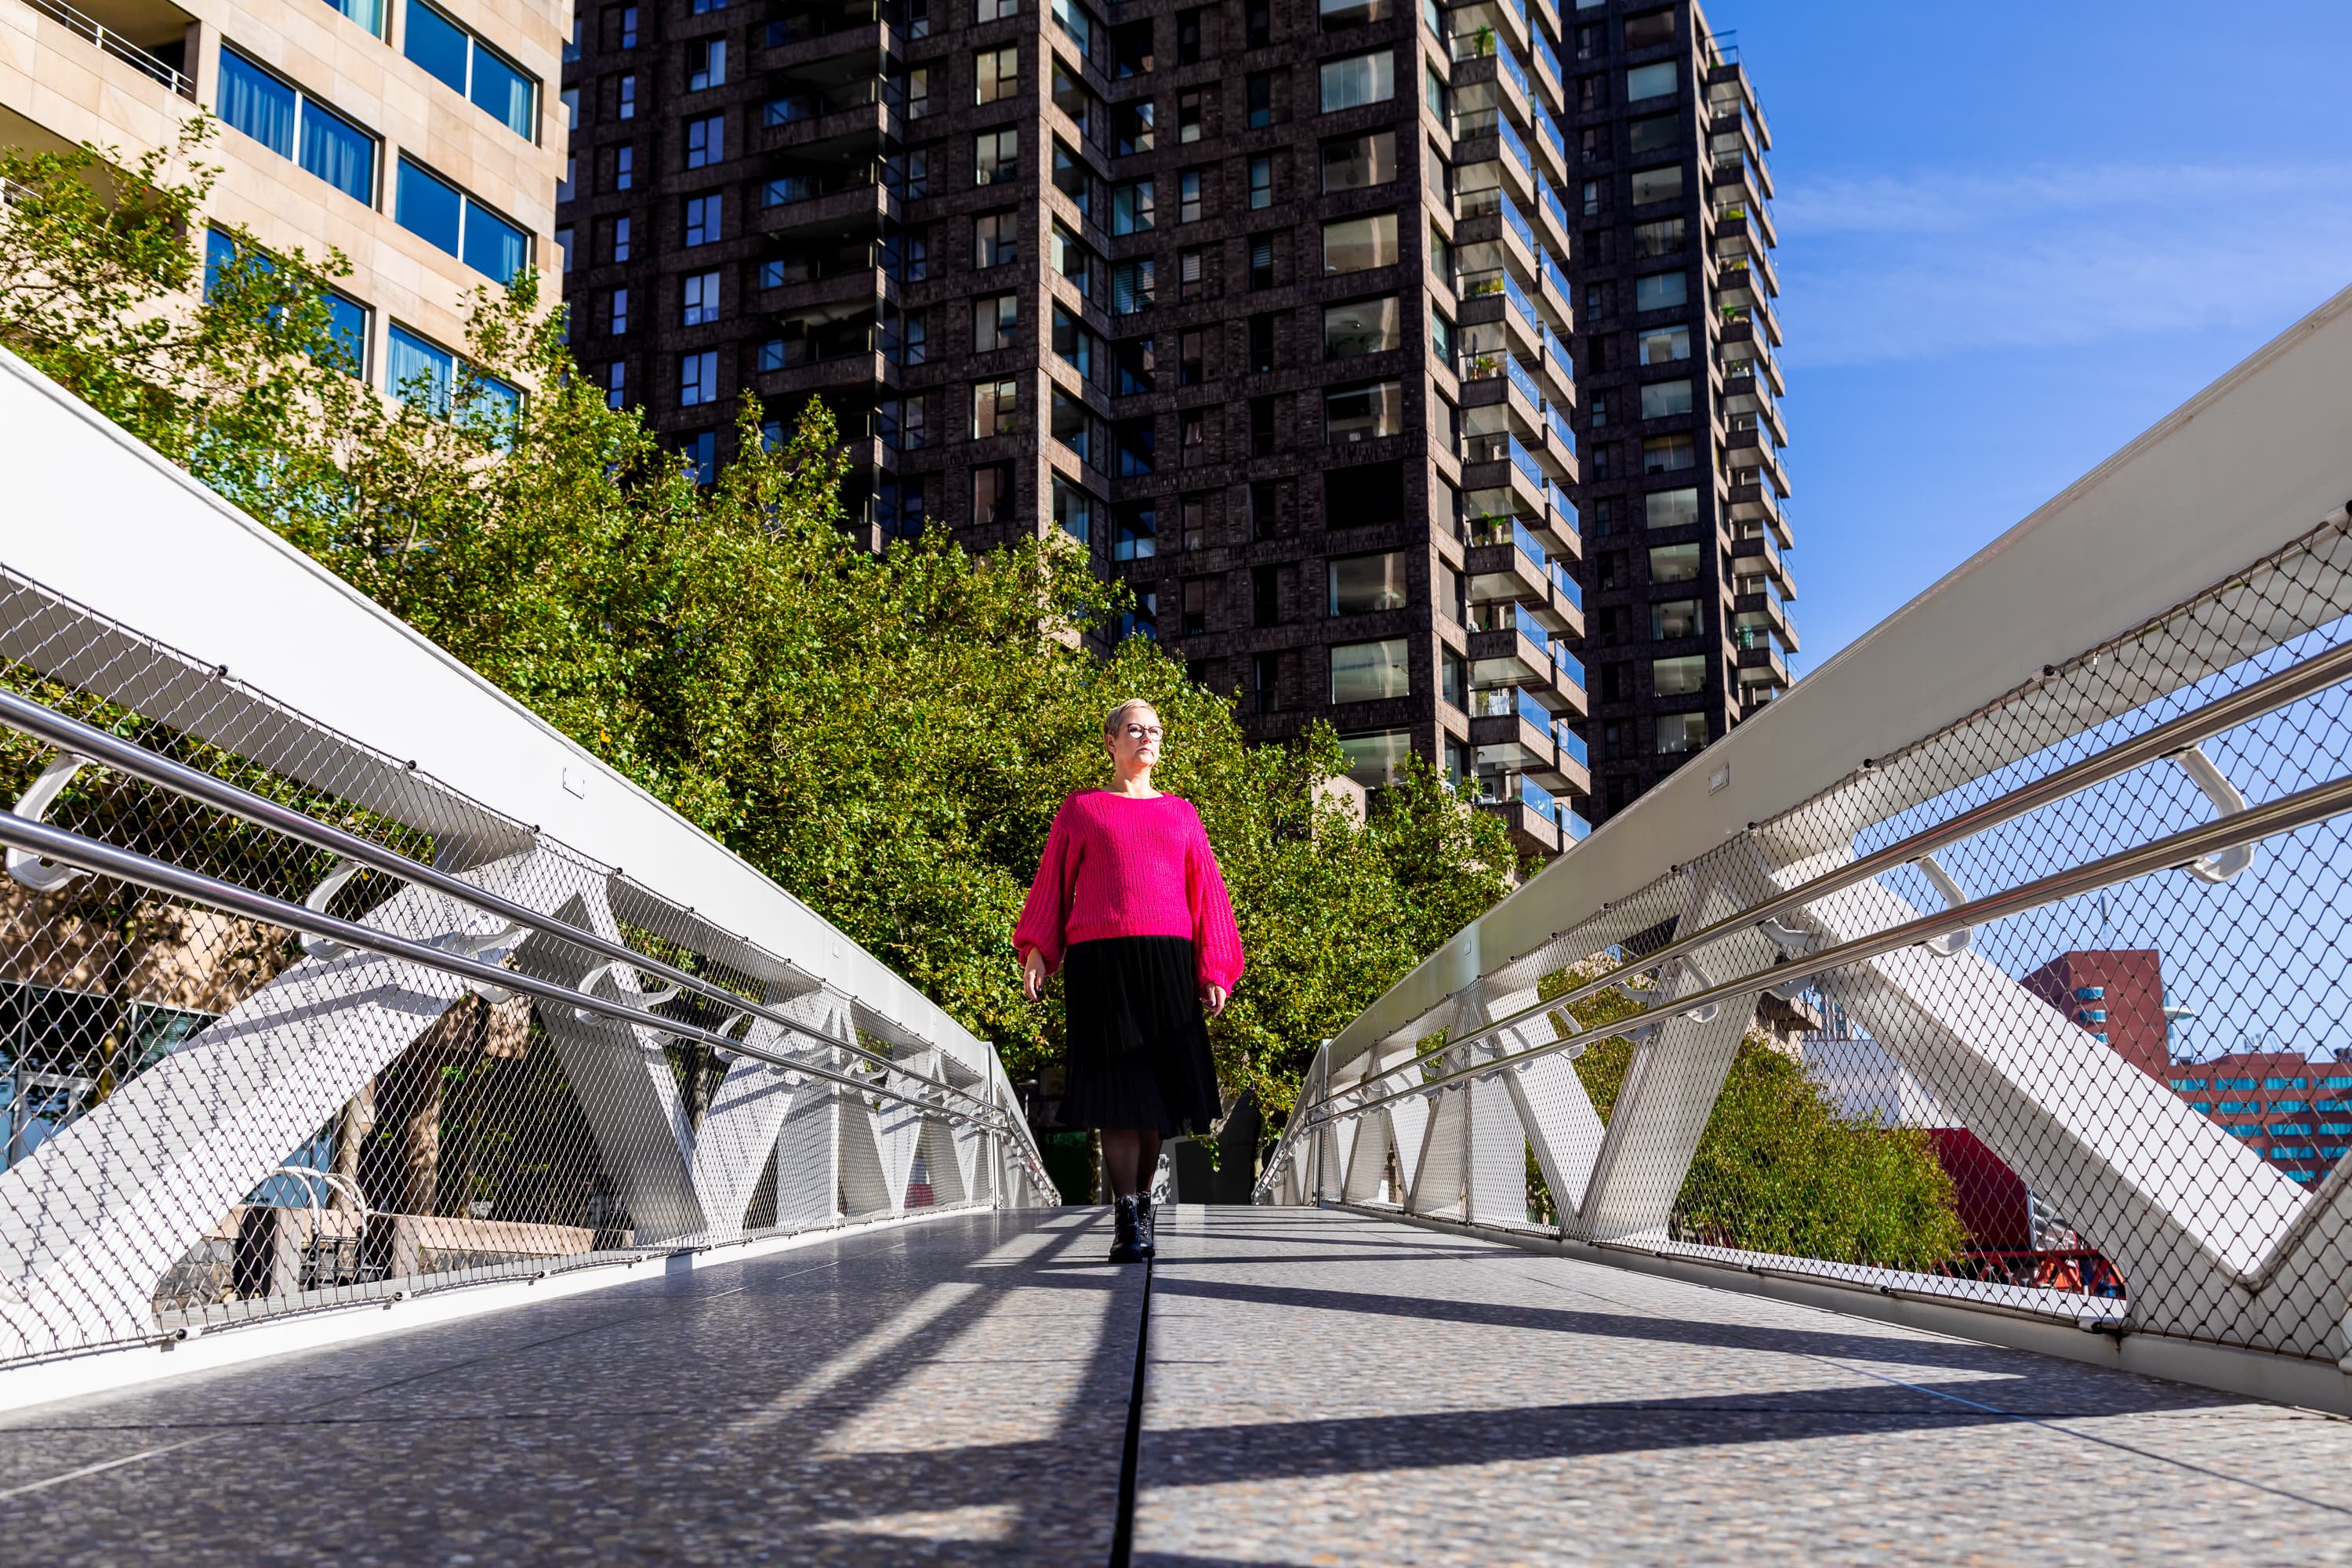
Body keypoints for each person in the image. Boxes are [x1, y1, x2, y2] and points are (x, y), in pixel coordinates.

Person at [1014, 699, 1244, 1262]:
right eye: (1135, 729)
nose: (1147, 738)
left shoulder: (1182, 813)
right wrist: (1040, 949)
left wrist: (1215, 967)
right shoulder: (1082, 810)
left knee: (1155, 1102)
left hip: (1168, 961)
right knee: (1119, 1096)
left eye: (1155, 731)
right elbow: (1052, 883)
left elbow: (1208, 893)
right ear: (1111, 742)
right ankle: (1127, 1219)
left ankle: (1142, 1206)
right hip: (1101, 964)